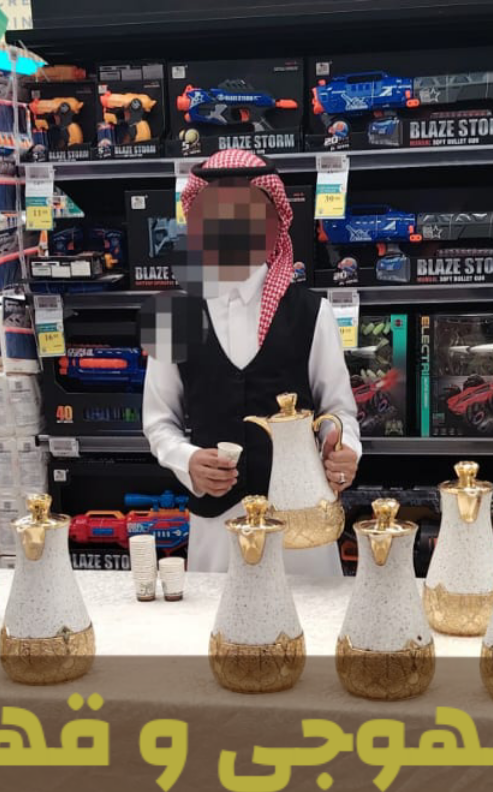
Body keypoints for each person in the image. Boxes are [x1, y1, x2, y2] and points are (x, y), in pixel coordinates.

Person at [141, 148, 360, 575]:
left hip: (301, 527)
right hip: (216, 529)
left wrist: (343, 448)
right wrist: (187, 460)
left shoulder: (313, 312)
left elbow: (338, 410)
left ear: (275, 224)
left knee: (309, 618)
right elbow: (159, 421)